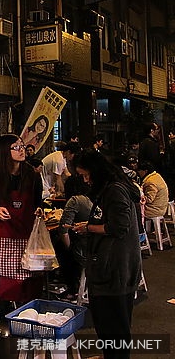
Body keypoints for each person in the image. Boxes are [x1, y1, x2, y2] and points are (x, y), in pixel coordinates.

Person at [72, 149, 142, 359]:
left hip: (115, 268)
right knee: (111, 322)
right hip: (114, 266)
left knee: (113, 322)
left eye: (86, 175)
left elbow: (118, 226)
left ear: (97, 171)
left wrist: (88, 228)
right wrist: (91, 224)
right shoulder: (112, 189)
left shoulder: (115, 190)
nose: (85, 180)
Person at [0, 134, 43, 305]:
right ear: (4, 151)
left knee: (27, 283)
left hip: (27, 238)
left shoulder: (32, 176)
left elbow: (39, 202)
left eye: (22, 146)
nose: (21, 150)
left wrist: (40, 209)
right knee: (4, 284)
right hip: (2, 238)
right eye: (16, 147)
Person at [55, 173, 92, 298]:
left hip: (82, 248)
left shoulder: (75, 200)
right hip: (94, 244)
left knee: (60, 247)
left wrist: (69, 248)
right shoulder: (93, 198)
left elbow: (63, 229)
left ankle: (72, 289)